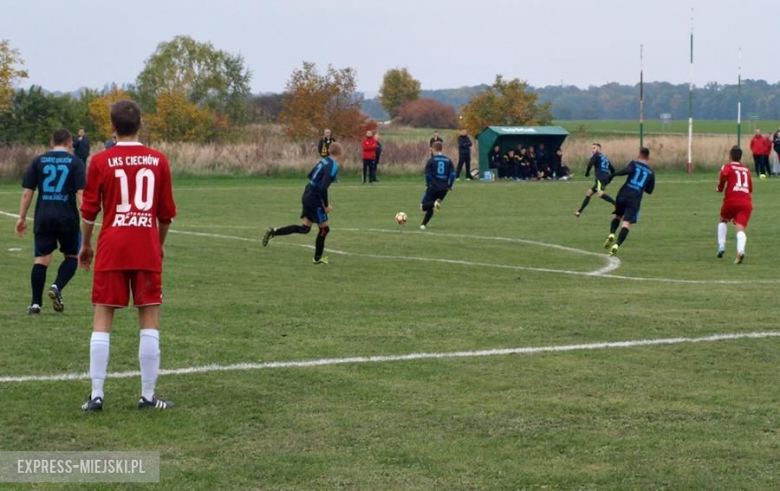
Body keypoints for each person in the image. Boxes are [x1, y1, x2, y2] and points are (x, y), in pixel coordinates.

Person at [79, 100, 177, 412]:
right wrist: (157, 243)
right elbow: (165, 215)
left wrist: (85, 244)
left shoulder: (100, 161)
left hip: (112, 246)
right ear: (140, 125)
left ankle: (97, 395)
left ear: (112, 127)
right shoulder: (158, 160)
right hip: (145, 245)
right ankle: (147, 396)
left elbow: (89, 211)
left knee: (103, 315)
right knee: (149, 316)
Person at [15, 128, 86, 314]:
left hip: (43, 216)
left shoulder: (38, 161)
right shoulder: (76, 163)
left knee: (41, 259)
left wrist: (22, 218)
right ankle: (56, 286)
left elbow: (27, 193)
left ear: (51, 142)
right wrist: (87, 219)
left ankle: (35, 304)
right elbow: (81, 194)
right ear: (70, 143)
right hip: (67, 216)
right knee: (72, 256)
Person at [263, 142, 341, 264]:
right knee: (324, 229)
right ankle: (318, 259)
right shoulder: (333, 166)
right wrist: (325, 205)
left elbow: (310, 175)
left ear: (329, 151)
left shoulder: (324, 160)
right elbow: (323, 188)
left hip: (308, 191)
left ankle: (274, 232)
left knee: (305, 228)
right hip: (314, 197)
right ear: (340, 153)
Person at [603, 147, 655, 256]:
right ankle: (616, 245)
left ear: (638, 155)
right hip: (634, 199)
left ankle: (612, 234)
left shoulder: (634, 164)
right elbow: (650, 191)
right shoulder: (651, 173)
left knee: (617, 216)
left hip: (622, 195)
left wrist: (613, 174)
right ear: (648, 158)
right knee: (626, 223)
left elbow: (626, 171)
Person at [716, 146, 753, 264]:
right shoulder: (746, 169)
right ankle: (740, 251)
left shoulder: (727, 166)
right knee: (740, 228)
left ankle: (721, 246)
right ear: (740, 157)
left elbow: (723, 175)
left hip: (731, 200)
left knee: (723, 220)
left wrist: (720, 188)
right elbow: (750, 188)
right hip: (746, 202)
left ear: (730, 156)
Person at [573, 143, 616, 217]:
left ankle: (616, 204)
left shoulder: (596, 155)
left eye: (594, 148)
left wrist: (587, 172)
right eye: (591, 148)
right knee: (589, 193)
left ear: (599, 149)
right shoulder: (605, 158)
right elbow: (613, 170)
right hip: (604, 178)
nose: (592, 150)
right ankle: (579, 212)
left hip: (600, 178)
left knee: (600, 194)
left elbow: (590, 164)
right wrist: (609, 179)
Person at [420, 141, 455, 230]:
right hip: (444, 189)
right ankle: (423, 225)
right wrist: (450, 185)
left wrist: (428, 184)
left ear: (434, 149)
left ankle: (434, 204)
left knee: (423, 207)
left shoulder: (431, 160)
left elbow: (427, 175)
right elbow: (453, 175)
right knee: (432, 206)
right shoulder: (448, 160)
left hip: (433, 187)